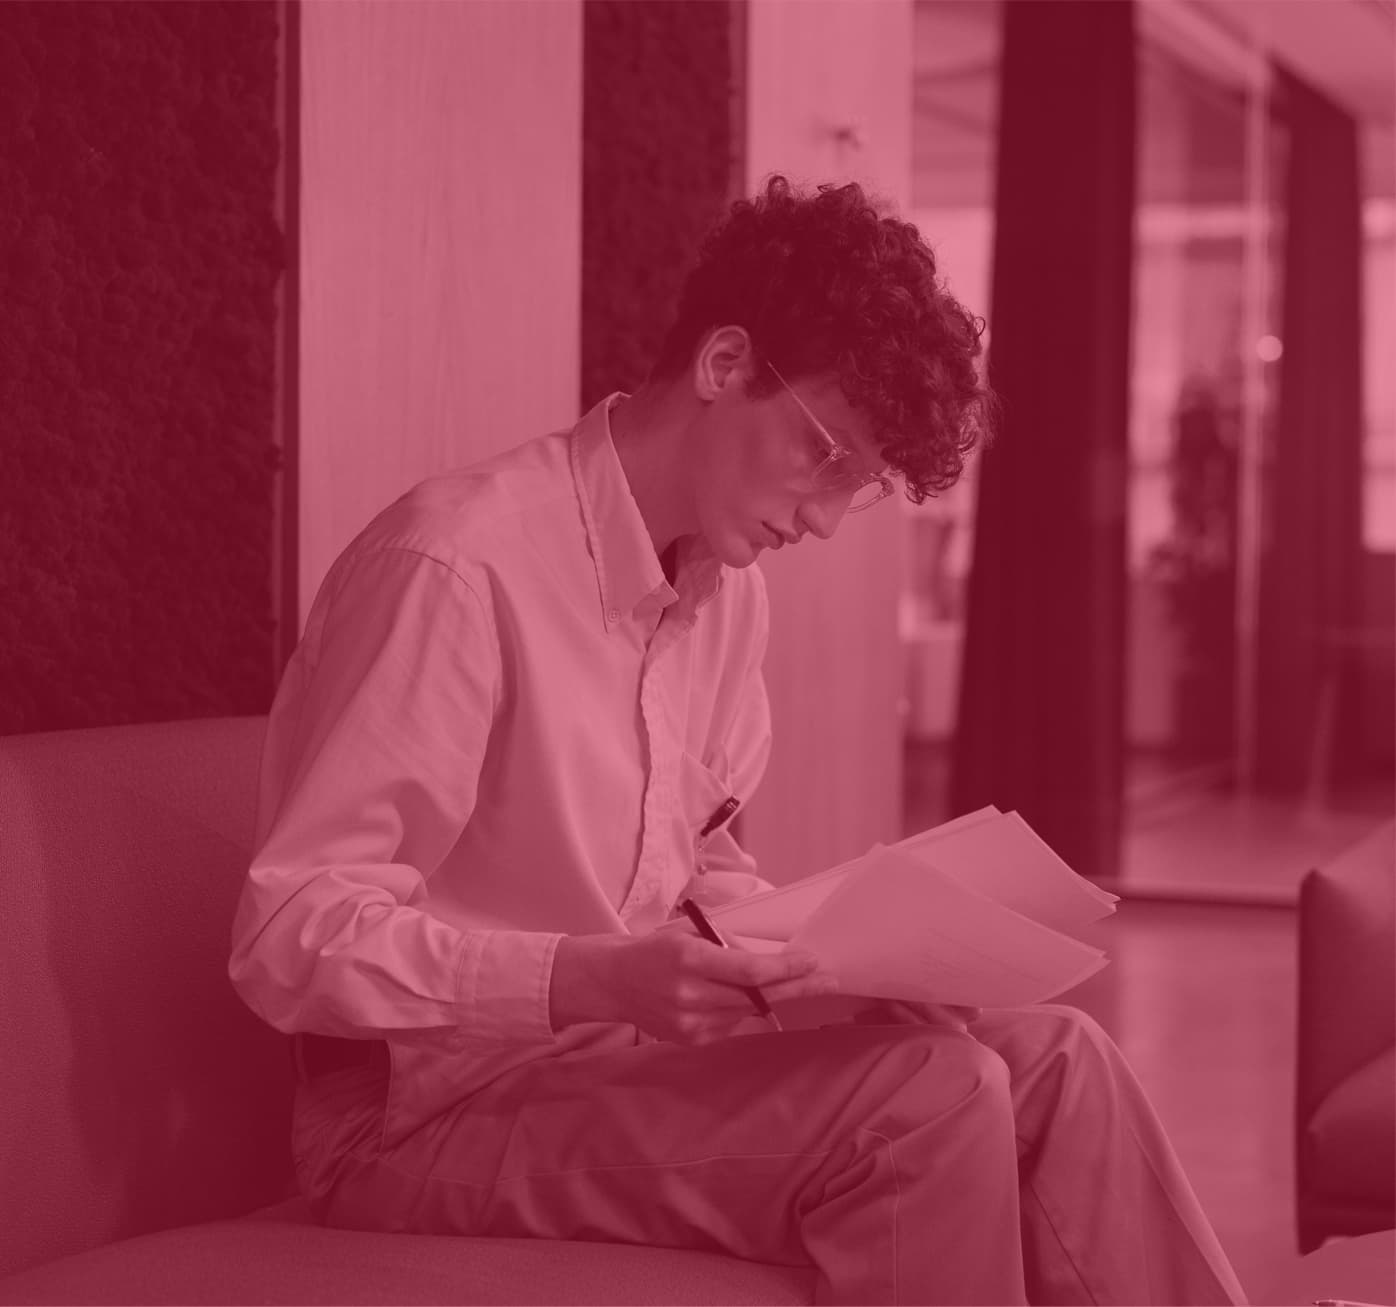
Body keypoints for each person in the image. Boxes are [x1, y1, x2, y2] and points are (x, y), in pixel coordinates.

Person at [229, 176, 1247, 1305]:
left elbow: (697, 865)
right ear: (724, 366)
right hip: (423, 1109)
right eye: (827, 455)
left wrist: (828, 966)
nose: (820, 516)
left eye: (856, 487)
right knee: (930, 1098)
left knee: (1062, 1060)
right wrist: (586, 979)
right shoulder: (456, 569)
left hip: (618, 1065)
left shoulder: (723, 599)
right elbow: (291, 936)